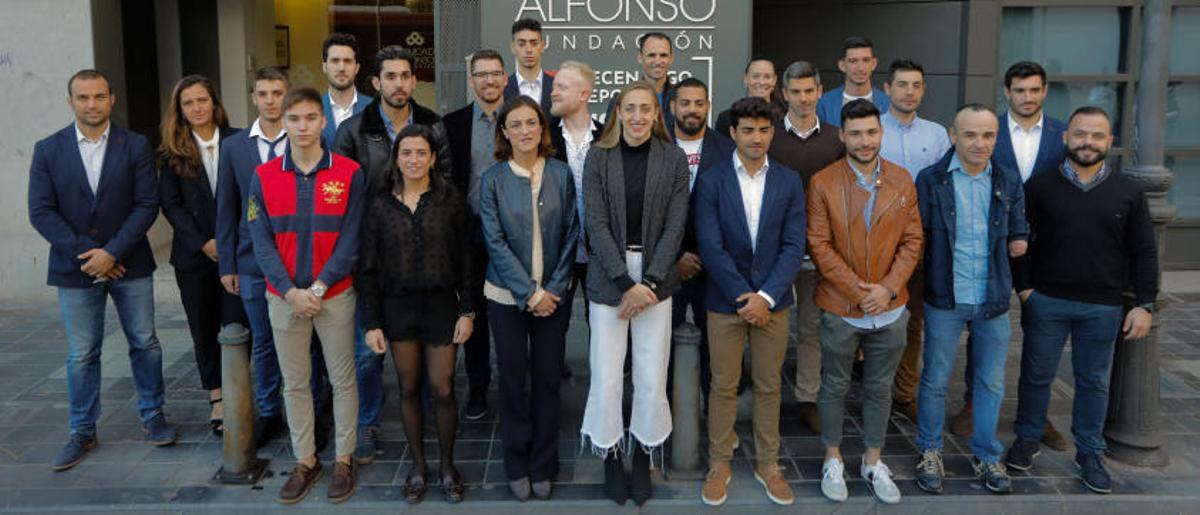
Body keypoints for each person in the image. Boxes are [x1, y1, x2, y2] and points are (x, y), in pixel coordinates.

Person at [30, 69, 177, 471]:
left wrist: (112, 252)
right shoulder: (48, 149)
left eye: (98, 96)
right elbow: (41, 211)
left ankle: (153, 416)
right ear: (70, 101)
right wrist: (91, 255)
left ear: (112, 99)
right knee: (82, 354)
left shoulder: (135, 146)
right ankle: (82, 430)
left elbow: (147, 203)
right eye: (83, 97)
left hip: (130, 262)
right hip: (74, 269)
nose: (91, 104)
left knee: (145, 342)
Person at [1005, 106, 1157, 495]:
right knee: (1036, 376)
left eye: (1097, 136)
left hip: (1103, 306)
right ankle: (1027, 438)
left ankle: (1089, 452)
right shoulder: (1038, 186)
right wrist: (1025, 291)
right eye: (1081, 134)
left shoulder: (1129, 191)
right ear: (1065, 137)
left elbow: (1143, 251)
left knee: (1093, 382)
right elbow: (1018, 243)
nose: (1088, 142)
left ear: (1110, 142)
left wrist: (1144, 303)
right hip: (1047, 301)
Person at [334, 45, 453, 463]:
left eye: (405, 76)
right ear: (376, 83)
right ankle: (368, 423)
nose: (398, 83)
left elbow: (447, 187)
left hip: (423, 258)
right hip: (374, 255)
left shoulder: (434, 125)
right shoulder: (352, 131)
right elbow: (343, 199)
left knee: (424, 365)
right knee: (368, 354)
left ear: (413, 81)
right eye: (390, 76)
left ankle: (424, 428)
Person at [247, 87, 365, 504]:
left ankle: (344, 459)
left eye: (310, 118)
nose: (301, 126)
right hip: (284, 298)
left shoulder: (349, 172)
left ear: (322, 122)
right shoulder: (263, 177)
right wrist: (290, 291)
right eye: (294, 118)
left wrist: (316, 287)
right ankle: (306, 460)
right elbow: (260, 241)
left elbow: (351, 239)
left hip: (334, 296)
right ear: (284, 121)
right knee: (294, 383)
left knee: (342, 379)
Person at [580, 81, 690, 506]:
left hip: (657, 279)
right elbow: (596, 222)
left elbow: (675, 225)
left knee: (650, 372)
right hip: (611, 277)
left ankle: (643, 453)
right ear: (618, 113)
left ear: (657, 114)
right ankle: (610, 452)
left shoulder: (673, 157)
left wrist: (650, 283)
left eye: (647, 109)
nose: (639, 116)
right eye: (630, 109)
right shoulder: (598, 156)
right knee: (607, 374)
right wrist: (626, 284)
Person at [808, 99, 922, 505]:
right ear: (842, 135)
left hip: (890, 308)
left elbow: (913, 241)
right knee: (835, 385)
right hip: (841, 306)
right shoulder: (823, 182)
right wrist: (860, 291)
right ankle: (833, 457)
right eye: (855, 133)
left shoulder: (902, 180)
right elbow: (819, 245)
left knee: (879, 387)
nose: (864, 140)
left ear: (881, 133)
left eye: (871, 132)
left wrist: (887, 289)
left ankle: (873, 460)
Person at [694, 97, 806, 507]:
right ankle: (720, 462)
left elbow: (794, 246)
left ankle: (768, 463)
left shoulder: (789, 180)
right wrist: (744, 296)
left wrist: (766, 296)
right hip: (725, 301)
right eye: (747, 130)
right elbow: (710, 244)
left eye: (763, 130)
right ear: (733, 133)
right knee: (722, 386)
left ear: (772, 133)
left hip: (773, 303)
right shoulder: (711, 179)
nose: (756, 138)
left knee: (768, 385)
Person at [951, 60, 1068, 450]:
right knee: (982, 324)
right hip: (993, 248)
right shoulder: (987, 131)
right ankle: (972, 402)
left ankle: (1037, 415)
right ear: (1007, 92)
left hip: (1045, 249)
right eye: (1020, 90)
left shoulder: (1061, 134)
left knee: (1043, 331)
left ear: (1045, 91)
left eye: (1034, 90)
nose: (1027, 97)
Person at [912, 104, 1027, 496]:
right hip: (946, 296)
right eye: (971, 135)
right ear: (953, 135)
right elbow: (917, 237)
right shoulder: (930, 180)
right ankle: (929, 450)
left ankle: (985, 454)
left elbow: (1019, 229)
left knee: (991, 382)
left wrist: (1020, 240)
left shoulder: (1008, 181)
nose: (980, 143)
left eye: (988, 135)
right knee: (935, 379)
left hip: (992, 297)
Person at [359, 124, 476, 504]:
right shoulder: (380, 205)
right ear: (396, 158)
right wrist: (372, 322)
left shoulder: (450, 200)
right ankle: (418, 466)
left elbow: (468, 261)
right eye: (406, 153)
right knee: (408, 388)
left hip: (442, 305)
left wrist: (467, 310)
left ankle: (447, 465)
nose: (413, 160)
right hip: (397, 308)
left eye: (421, 153)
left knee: (442, 388)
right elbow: (368, 269)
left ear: (432, 157)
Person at [218, 67, 323, 448]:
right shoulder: (234, 147)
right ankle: (269, 412)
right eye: (263, 93)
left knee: (308, 341)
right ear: (253, 98)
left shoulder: (309, 139)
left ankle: (313, 411)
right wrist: (227, 263)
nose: (270, 100)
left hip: (302, 260)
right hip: (251, 262)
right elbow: (226, 207)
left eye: (277, 92)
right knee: (263, 341)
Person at [480, 96, 579, 501]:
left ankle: (544, 463)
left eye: (531, 123)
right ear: (504, 132)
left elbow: (572, 232)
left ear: (542, 128)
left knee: (548, 380)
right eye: (515, 125)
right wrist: (530, 293)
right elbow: (495, 241)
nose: (524, 131)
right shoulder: (492, 179)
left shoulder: (561, 173)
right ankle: (516, 462)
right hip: (506, 297)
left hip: (554, 297)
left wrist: (552, 290)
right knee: (512, 380)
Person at [157, 74, 244, 437]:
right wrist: (203, 243)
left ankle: (242, 389)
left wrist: (230, 242)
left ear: (214, 102)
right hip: (194, 258)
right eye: (188, 102)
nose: (196, 108)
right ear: (179, 109)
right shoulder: (169, 152)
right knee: (203, 326)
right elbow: (171, 206)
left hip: (236, 252)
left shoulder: (238, 141)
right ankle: (218, 397)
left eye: (202, 100)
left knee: (238, 324)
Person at [767, 61, 845, 434]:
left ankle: (807, 397)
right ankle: (767, 395)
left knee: (812, 329)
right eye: (794, 91)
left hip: (819, 252)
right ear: (784, 95)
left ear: (819, 92)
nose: (802, 98)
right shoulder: (769, 138)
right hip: (775, 251)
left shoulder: (836, 139)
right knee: (770, 325)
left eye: (808, 90)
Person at [878, 59, 952, 421]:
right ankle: (873, 390)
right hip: (877, 239)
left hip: (922, 241)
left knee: (914, 320)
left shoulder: (937, 135)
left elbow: (942, 189)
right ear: (887, 88)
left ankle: (904, 392)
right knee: (873, 317)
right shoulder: (871, 129)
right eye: (902, 84)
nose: (909, 91)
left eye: (916, 85)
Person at [444, 48, 506, 420]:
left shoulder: (522, 119)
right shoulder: (452, 123)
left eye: (495, 73)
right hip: (470, 233)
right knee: (474, 312)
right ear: (472, 81)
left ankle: (519, 385)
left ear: (505, 79)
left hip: (514, 233)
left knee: (517, 312)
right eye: (481, 74)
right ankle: (479, 386)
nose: (488, 80)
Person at [668, 77, 734, 401]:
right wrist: (676, 254)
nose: (692, 110)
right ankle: (663, 421)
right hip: (667, 266)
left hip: (714, 269)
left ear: (708, 106)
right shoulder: (657, 147)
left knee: (717, 352)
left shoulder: (727, 149)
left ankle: (716, 418)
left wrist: (708, 255)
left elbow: (732, 214)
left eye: (699, 103)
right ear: (672, 107)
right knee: (661, 351)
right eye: (685, 103)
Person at [547, 60, 604, 376]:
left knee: (603, 328)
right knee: (554, 329)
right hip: (559, 252)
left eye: (561, 87)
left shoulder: (609, 137)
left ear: (583, 94)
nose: (553, 92)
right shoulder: (543, 138)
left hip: (600, 254)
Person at [816, 37, 890, 128]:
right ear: (842, 65)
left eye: (866, 60)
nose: (860, 68)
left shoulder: (888, 103)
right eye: (853, 61)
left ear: (874, 64)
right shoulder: (824, 103)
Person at [606, 33, 676, 127]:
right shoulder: (620, 99)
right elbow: (609, 138)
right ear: (640, 58)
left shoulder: (681, 98)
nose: (658, 61)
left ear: (671, 58)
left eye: (663, 55)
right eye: (651, 55)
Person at [714, 57, 784, 136]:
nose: (761, 82)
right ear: (745, 79)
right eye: (756, 76)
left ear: (774, 80)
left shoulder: (785, 119)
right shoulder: (726, 118)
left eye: (767, 77)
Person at [320, 32, 367, 146]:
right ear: (325, 67)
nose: (341, 68)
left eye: (347, 61)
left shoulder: (375, 109)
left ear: (357, 68)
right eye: (335, 61)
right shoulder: (312, 109)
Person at [504, 18, 554, 114]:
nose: (528, 49)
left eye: (534, 43)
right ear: (513, 47)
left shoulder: (557, 87)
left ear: (542, 46)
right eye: (521, 44)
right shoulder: (502, 90)